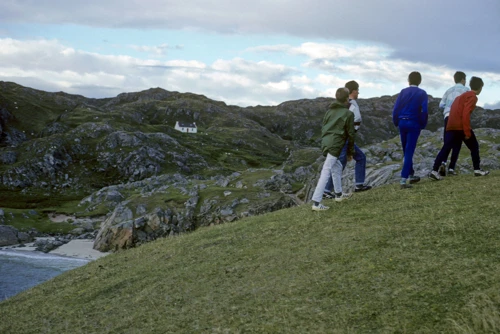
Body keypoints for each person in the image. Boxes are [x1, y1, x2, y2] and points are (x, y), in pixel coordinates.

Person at [429, 76, 489, 180]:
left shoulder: (460, 96)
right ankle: (477, 169)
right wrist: (467, 132)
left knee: (446, 147)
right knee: (474, 146)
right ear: (480, 88)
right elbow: (465, 113)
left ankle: (434, 171)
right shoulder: (473, 97)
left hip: (451, 124)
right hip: (460, 125)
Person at [323, 80, 371, 199]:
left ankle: (358, 184)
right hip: (344, 139)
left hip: (338, 138)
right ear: (353, 91)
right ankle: (327, 190)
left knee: (359, 158)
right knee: (340, 164)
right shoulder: (352, 105)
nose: (358, 93)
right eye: (358, 90)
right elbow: (356, 121)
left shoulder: (339, 106)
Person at [311, 88, 354, 211]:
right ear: (347, 99)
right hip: (336, 144)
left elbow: (324, 128)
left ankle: (339, 195)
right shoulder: (348, 114)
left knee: (337, 166)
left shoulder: (329, 112)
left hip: (326, 142)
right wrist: (350, 152)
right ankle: (316, 202)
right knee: (327, 169)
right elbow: (351, 135)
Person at [392, 71, 428, 189]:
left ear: (409, 80)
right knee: (409, 150)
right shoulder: (422, 93)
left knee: (405, 149)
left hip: (402, 121)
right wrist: (422, 124)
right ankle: (403, 179)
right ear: (420, 81)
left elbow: (396, 108)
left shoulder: (403, 92)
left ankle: (411, 174)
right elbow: (424, 111)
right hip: (414, 123)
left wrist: (396, 121)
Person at [437, 71, 469, 176]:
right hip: (458, 117)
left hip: (447, 116)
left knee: (448, 141)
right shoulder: (466, 90)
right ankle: (451, 168)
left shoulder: (448, 90)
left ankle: (443, 162)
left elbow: (441, 105)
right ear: (463, 79)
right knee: (458, 142)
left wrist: (448, 106)